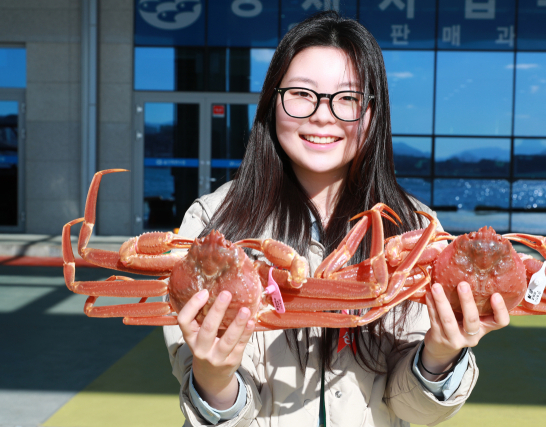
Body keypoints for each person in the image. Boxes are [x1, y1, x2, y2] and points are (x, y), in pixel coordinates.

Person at [164, 11, 510, 427]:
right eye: (301, 94)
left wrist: (440, 353)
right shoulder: (212, 221)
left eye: (347, 98)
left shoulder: (418, 229)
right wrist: (213, 377)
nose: (323, 115)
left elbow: (411, 411)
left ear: (372, 113)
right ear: (272, 101)